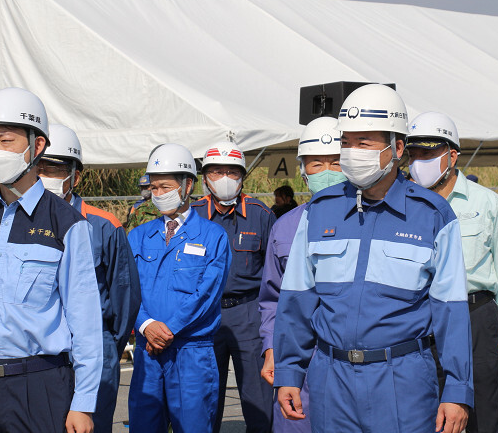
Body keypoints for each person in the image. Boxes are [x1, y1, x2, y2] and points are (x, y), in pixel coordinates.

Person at [274, 84, 473, 433]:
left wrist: (457, 390)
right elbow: (296, 300)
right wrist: (289, 371)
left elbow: (451, 311)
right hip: (330, 379)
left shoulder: (433, 215)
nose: (352, 152)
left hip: (403, 379)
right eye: (346, 142)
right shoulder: (320, 212)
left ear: (397, 148)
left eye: (364, 143)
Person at [0, 87, 102, 433]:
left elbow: (86, 320)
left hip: (40, 387)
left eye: (6, 140)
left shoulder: (66, 223)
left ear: (38, 145)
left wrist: (83, 402)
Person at [407, 111, 498, 433]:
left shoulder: (486, 203)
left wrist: (489, 318)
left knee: (481, 413)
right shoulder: (405, 205)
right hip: (422, 319)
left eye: (428, 153)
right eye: (414, 154)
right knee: (426, 411)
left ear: (452, 155)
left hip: (475, 317)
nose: (419, 162)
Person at [36, 123, 140, 433]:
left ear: (75, 175)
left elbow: (125, 296)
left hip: (94, 349)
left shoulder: (104, 224)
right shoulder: (21, 224)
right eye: (39, 167)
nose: (45, 176)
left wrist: (107, 343)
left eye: (54, 169)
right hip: (42, 351)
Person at [128, 143, 231, 432]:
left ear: (187, 185)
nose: (158, 194)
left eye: (165, 187)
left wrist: (168, 329)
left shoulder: (212, 236)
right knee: (144, 426)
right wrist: (146, 325)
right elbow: (127, 289)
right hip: (148, 350)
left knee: (194, 426)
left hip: (191, 353)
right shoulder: (139, 236)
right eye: (154, 188)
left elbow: (207, 295)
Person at [259, 117, 345, 433]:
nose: (326, 171)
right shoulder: (284, 228)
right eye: (316, 163)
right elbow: (271, 299)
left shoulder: (372, 223)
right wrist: (271, 348)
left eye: (336, 163)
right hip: (297, 364)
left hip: (349, 363)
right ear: (304, 170)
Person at [192, 141, 275, 433]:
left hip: (248, 314)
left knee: (259, 398)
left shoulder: (260, 214)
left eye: (231, 172)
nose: (224, 178)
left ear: (242, 176)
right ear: (204, 177)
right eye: (216, 172)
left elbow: (274, 274)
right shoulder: (192, 216)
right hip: (203, 315)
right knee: (204, 398)